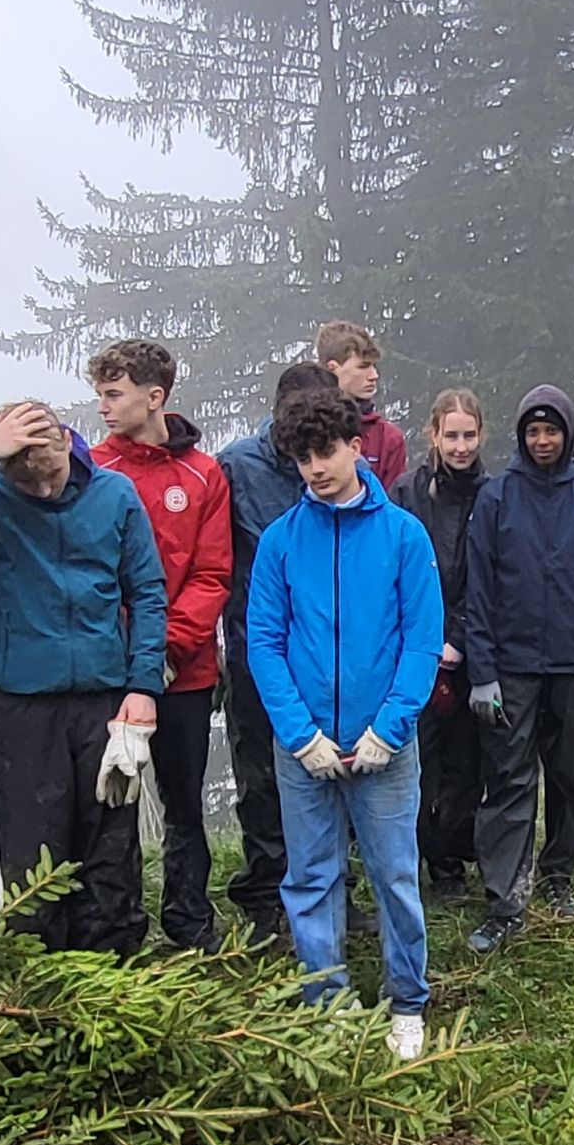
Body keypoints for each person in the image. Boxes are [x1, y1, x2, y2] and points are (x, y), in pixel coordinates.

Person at [0, 400, 166, 954]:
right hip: (21, 705)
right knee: (32, 856)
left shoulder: (114, 494)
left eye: (52, 476)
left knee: (112, 850)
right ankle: (40, 976)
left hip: (105, 701)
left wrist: (143, 687)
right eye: (29, 483)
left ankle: (114, 973)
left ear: (68, 445)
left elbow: (146, 591)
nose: (44, 492)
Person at [244, 386, 443, 1059]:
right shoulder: (280, 542)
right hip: (304, 749)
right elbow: (264, 643)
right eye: (302, 457)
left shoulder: (404, 536)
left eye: (325, 451)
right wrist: (300, 735)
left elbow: (422, 640)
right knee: (310, 877)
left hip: (385, 743)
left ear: (357, 446)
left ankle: (407, 1000)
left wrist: (390, 728)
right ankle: (327, 1004)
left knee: (394, 875)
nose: (315, 468)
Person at [463, 386, 574, 951]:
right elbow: (478, 590)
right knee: (509, 780)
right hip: (511, 669)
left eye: (551, 430)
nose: (542, 440)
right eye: (532, 431)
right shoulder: (496, 498)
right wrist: (481, 673)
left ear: (567, 434)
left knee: (568, 777)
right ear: (520, 436)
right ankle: (505, 899)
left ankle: (559, 875)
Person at [89, 339, 233, 952]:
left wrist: (168, 651)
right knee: (110, 805)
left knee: (182, 802)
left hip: (186, 672)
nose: (103, 406)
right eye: (99, 394)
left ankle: (189, 922)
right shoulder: (92, 469)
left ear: (154, 397)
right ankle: (119, 929)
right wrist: (133, 655)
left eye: (113, 394)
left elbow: (212, 573)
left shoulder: (203, 474)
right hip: (111, 671)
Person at [218, 362, 339, 944]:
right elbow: (215, 560)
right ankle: (267, 896)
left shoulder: (342, 467)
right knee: (261, 776)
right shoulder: (236, 467)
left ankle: (331, 891)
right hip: (255, 649)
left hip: (325, 653)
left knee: (330, 773)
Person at [391, 389, 491, 899]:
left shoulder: (494, 495)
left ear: (482, 435)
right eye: (451, 435)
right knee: (418, 761)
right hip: (415, 650)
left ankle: (452, 861)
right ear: (433, 435)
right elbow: (394, 572)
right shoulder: (405, 493)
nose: (460, 446)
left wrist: (461, 635)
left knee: (467, 761)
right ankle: (413, 861)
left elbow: (497, 576)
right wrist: (430, 640)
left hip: (474, 649)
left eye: (468, 435)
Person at [318, 321, 409, 485]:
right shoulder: (304, 428)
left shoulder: (388, 439)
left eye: (374, 366)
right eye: (362, 367)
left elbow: (393, 499)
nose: (374, 375)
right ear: (333, 369)